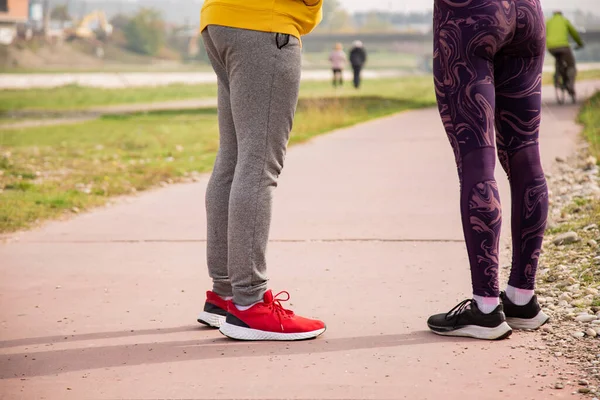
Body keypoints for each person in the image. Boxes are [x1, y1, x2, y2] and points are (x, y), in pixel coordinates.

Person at [197, 0, 326, 341]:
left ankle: (224, 295)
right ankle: (250, 302)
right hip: (264, 26)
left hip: (220, 20)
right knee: (258, 165)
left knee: (233, 157)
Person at [428, 0, 550, 340]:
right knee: (526, 155)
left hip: (469, 16)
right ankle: (522, 299)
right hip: (528, 14)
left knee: (476, 161)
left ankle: (484, 308)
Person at [546, 10, 584, 101]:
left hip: (551, 48)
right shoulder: (564, 20)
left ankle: (557, 78)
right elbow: (574, 33)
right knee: (571, 65)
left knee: (558, 62)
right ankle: (570, 84)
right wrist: (579, 43)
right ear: (561, 14)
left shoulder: (548, 22)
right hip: (563, 47)